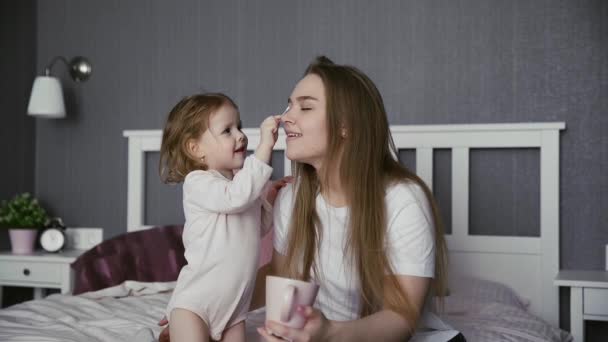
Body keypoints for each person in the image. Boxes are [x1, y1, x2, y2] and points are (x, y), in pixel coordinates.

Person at [161, 58, 462, 341]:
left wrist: (329, 332)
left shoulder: (402, 200)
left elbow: (402, 317)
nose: (285, 117)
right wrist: (201, 307)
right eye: (289, 105)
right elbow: (280, 273)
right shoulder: (292, 198)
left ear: (345, 125)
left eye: (305, 108)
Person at [158, 93, 288, 342]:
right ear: (196, 149)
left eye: (238, 126)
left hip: (234, 310)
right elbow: (236, 198)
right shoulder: (199, 182)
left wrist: (270, 198)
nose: (240, 135)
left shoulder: (242, 186)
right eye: (227, 130)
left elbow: (256, 228)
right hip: (194, 306)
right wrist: (264, 147)